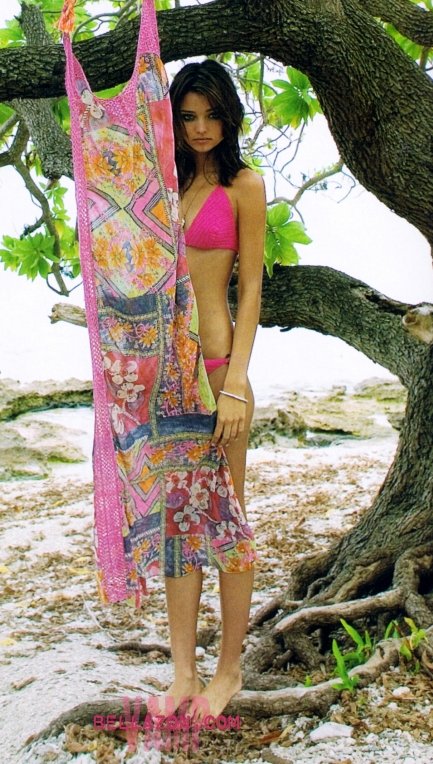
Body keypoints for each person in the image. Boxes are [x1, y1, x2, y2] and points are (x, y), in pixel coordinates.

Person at [159, 58, 266, 720]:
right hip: (167, 376)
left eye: (211, 115)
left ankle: (229, 670)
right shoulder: (162, 186)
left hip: (222, 367)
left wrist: (239, 383)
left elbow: (250, 288)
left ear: (229, 116)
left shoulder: (244, 186)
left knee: (227, 522)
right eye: (188, 116)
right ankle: (182, 673)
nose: (200, 128)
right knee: (177, 524)